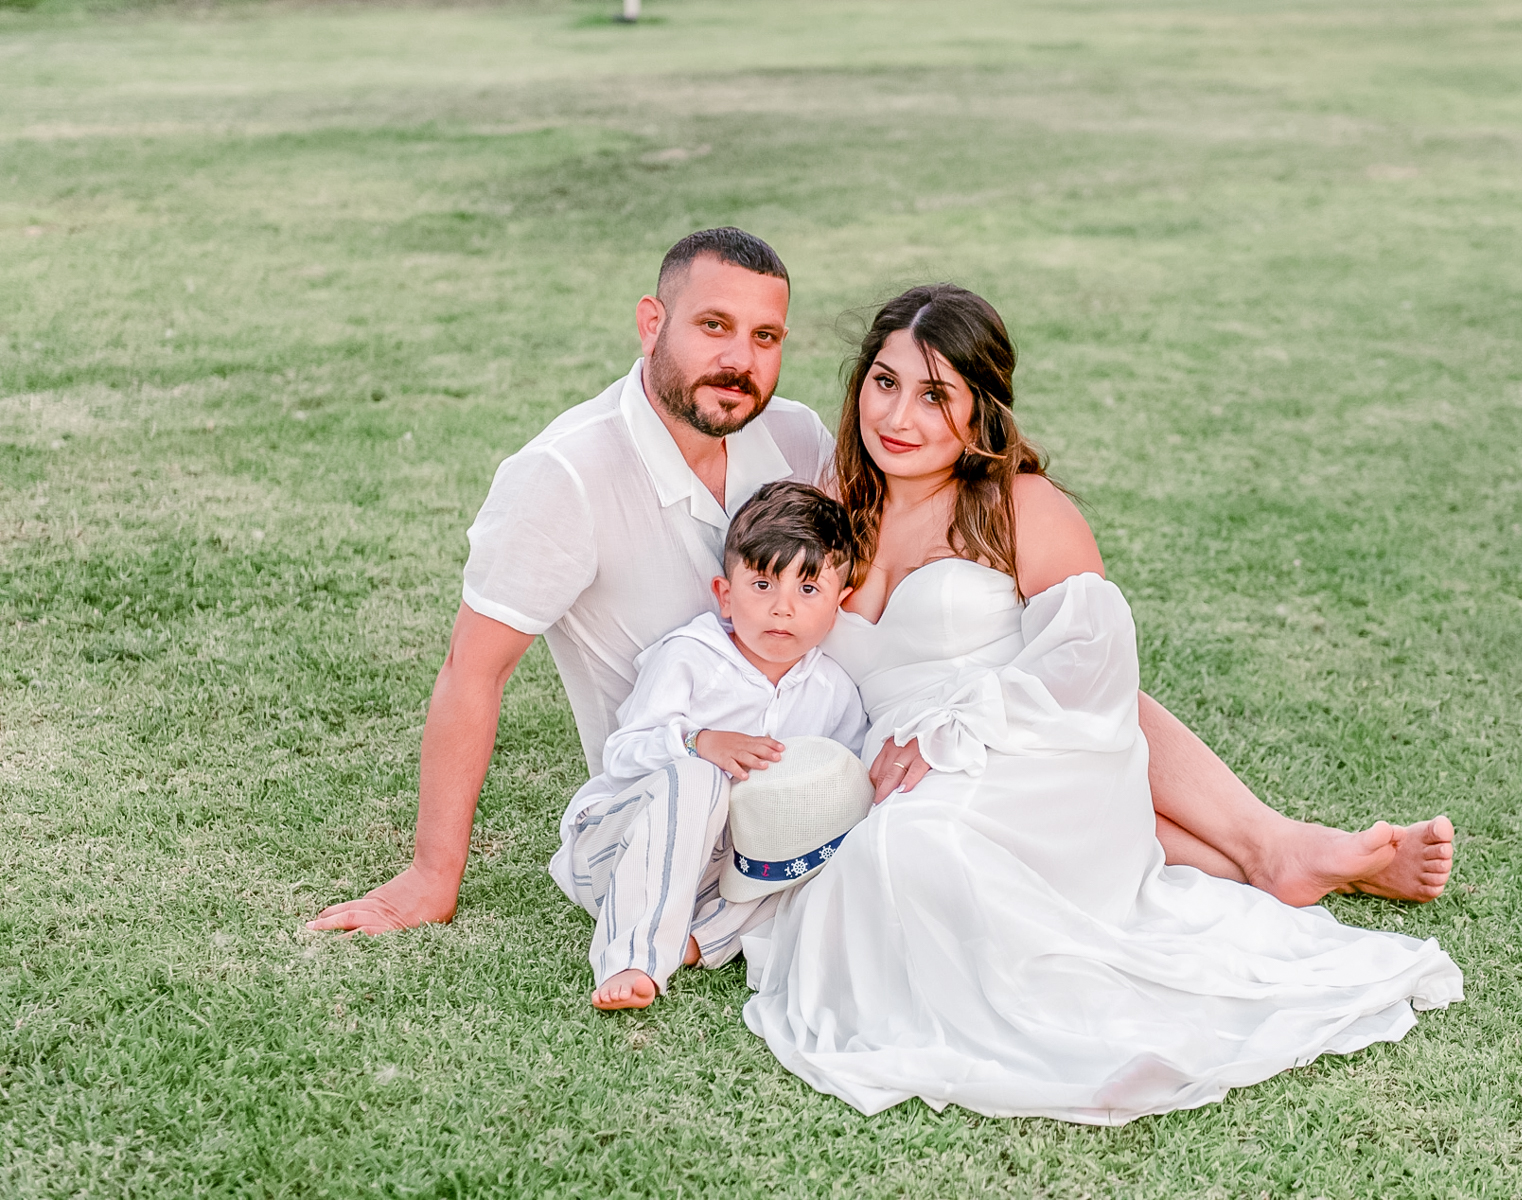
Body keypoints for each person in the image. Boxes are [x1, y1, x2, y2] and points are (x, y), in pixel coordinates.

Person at [307, 226, 1451, 938]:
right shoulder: (563, 475)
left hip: (856, 731)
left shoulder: (796, 440)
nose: (738, 361)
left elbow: (1044, 625)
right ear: (651, 322)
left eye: (764, 337)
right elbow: (472, 671)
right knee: (961, 813)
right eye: (712, 327)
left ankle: (1271, 847)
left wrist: (961, 695)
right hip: (719, 776)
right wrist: (430, 872)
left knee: (1047, 709)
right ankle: (1268, 852)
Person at [739, 285, 1463, 1124]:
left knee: (913, 845)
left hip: (1021, 740)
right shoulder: (833, 505)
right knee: (900, 850)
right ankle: (1275, 860)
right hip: (902, 765)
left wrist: (952, 729)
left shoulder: (1015, 503)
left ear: (980, 412)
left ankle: (1276, 853)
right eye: (885, 381)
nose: (899, 414)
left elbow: (1094, 660)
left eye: (936, 395)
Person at [549, 482, 865, 1011]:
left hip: (720, 880)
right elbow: (622, 757)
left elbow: (840, 794)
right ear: (724, 593)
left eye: (808, 590)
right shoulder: (691, 658)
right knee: (698, 777)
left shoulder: (833, 690)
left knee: (829, 835)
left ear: (840, 603)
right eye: (762, 584)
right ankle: (636, 957)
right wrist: (699, 743)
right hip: (617, 850)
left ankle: (701, 940)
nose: (782, 609)